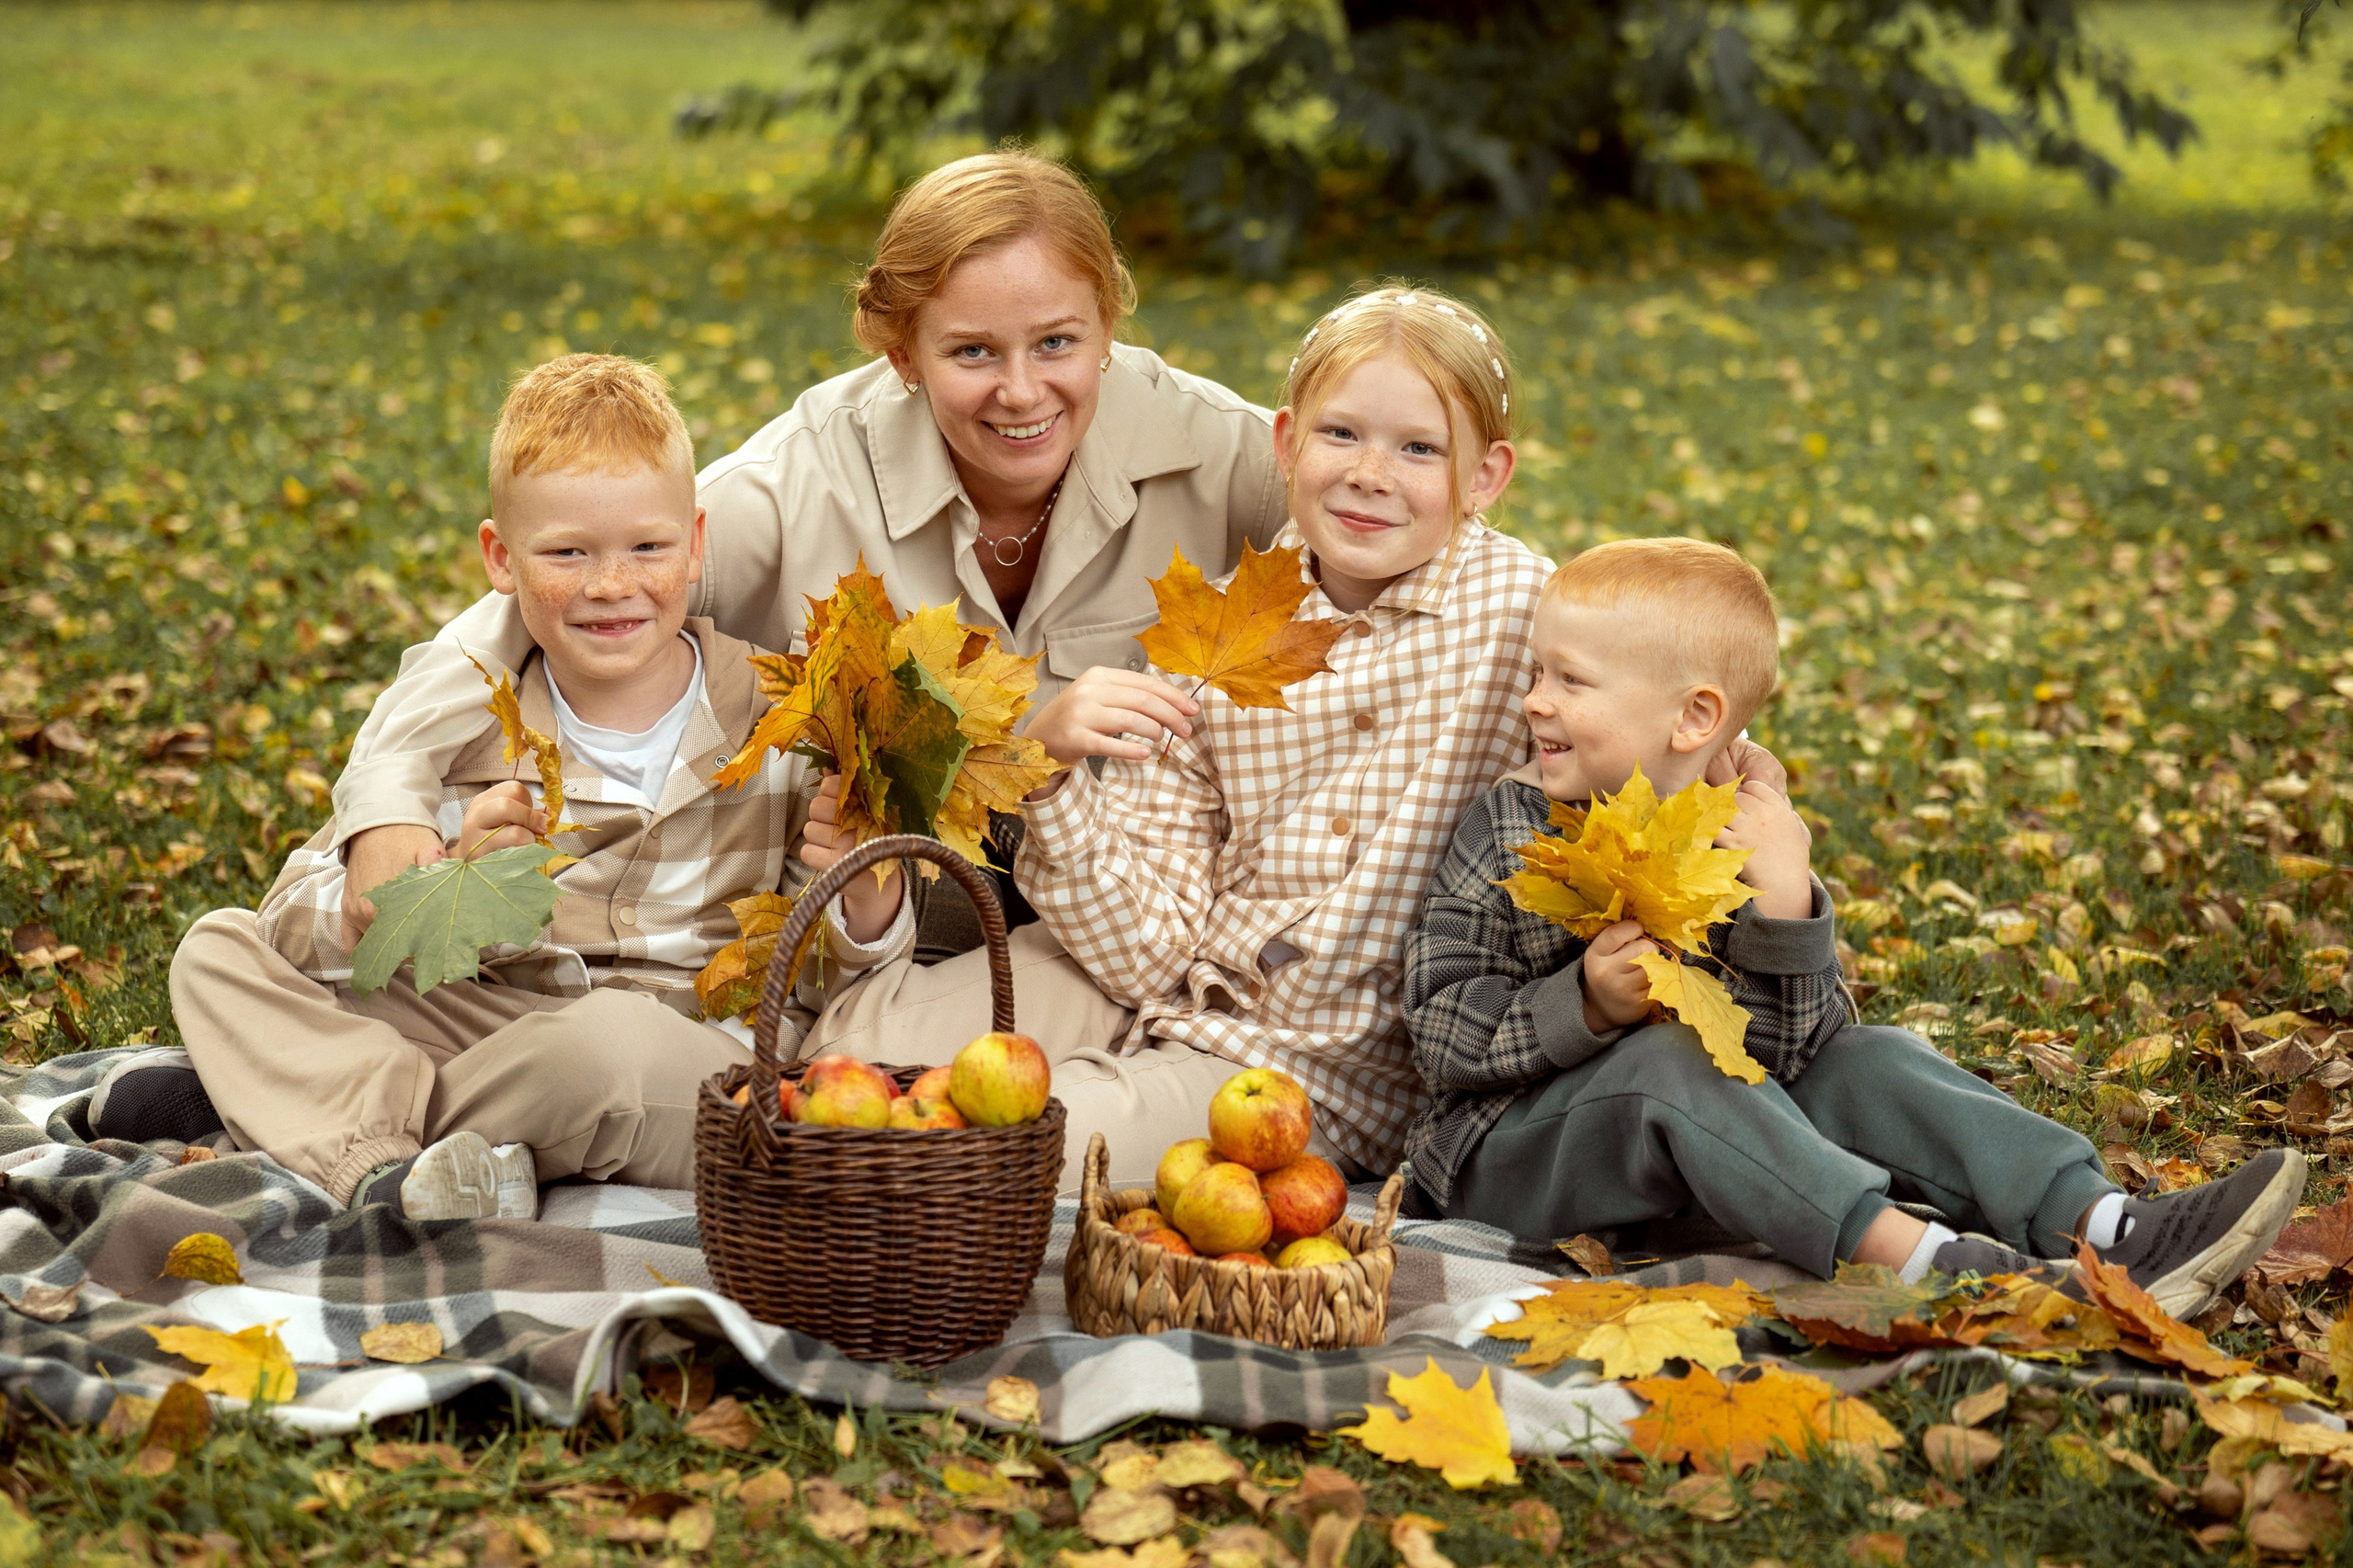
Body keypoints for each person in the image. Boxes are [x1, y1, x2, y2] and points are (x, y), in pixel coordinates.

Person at [327, 151, 1289, 960]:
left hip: (1148, 918)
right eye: (971, 353)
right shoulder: (803, 480)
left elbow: (1376, 503)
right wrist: (386, 806)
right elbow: (560, 595)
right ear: (901, 354)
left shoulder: (1217, 450)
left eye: (1057, 343)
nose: (1021, 390)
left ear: (1107, 326)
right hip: (894, 932)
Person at [93, 356, 911, 1219]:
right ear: (501, 559)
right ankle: (408, 1157)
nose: (611, 584)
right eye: (566, 552)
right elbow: (291, 929)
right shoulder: (469, 718)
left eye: (649, 547)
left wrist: (862, 903)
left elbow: (823, 984)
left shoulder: (782, 721)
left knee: (602, 1053)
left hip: (675, 1056)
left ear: (697, 543)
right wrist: (442, 891)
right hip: (491, 1025)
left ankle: (316, 1110)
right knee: (218, 951)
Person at [1399, 537, 2302, 1316]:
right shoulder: (1510, 827)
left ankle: (2104, 1222)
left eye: (1570, 680)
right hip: (1508, 1158)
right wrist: (1585, 1004)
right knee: (1667, 1064)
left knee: (1873, 1059)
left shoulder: (1737, 828)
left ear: (1695, 717)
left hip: (1700, 1156)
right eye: (1537, 673)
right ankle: (1932, 1266)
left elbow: (1796, 1053)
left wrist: (1786, 904)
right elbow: (1438, 1029)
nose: (1535, 701)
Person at [796, 285, 1559, 1189]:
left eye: (1419, 448)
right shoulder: (1215, 640)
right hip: (1161, 985)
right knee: (844, 1059)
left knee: (1001, 1142)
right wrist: (1048, 780)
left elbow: (1654, 710)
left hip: (1306, 1065)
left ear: (1486, 477)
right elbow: (1148, 954)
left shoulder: (1527, 618)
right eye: (1341, 434)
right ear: (1286, 443)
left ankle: (939, 1180)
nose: (1369, 472)